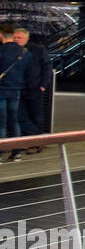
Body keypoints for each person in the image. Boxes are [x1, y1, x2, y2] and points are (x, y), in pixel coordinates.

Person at [13, 28, 52, 150]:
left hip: (35, 88)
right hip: (18, 88)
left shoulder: (38, 50)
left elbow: (47, 67)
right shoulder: (12, 51)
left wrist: (43, 85)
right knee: (20, 116)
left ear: (26, 38)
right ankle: (38, 139)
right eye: (15, 37)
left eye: (19, 38)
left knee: (36, 116)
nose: (16, 40)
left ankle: (35, 143)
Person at [0, 28, 30, 162]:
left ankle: (0, 153)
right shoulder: (23, 52)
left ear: (1, 36)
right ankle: (16, 152)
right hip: (16, 89)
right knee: (14, 120)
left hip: (1, 89)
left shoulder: (1, 50)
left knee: (1, 122)